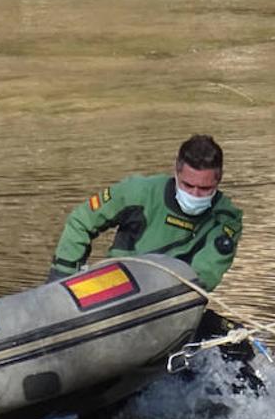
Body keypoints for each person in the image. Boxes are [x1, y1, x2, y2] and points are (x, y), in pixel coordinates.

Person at [48, 134, 260, 391]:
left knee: (236, 345)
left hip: (171, 311)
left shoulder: (225, 219)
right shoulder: (139, 192)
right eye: (188, 185)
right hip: (113, 294)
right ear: (176, 172)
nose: (195, 194)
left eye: (204, 189)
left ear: (219, 180)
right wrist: (60, 285)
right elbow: (81, 222)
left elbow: (203, 276)